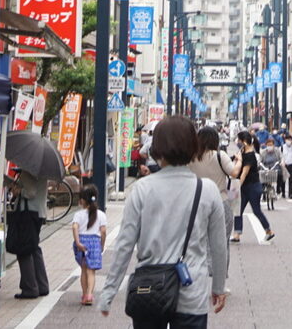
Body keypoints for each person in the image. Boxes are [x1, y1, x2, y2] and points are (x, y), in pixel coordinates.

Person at [98, 116, 230, 327]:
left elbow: (124, 245)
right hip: (192, 290)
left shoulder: (142, 189)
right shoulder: (207, 190)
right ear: (193, 147)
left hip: (148, 289)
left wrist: (109, 292)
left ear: (157, 148)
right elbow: (219, 246)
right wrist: (218, 287)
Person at [189, 127, 238, 232]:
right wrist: (240, 162)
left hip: (197, 201)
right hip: (220, 200)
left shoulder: (191, 157)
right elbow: (234, 173)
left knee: (200, 240)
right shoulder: (220, 155)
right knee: (222, 241)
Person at [12, 168, 51, 299]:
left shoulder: (29, 171)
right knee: (34, 247)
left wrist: (18, 191)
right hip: (38, 212)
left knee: (24, 249)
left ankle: (30, 288)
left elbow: (30, 192)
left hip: (28, 214)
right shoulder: (42, 171)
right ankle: (42, 285)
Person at [230, 132, 275, 243]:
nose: (237, 142)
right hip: (245, 186)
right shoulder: (243, 151)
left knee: (256, 210)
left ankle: (269, 231)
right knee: (237, 209)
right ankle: (237, 234)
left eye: (239, 140)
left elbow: (244, 173)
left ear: (244, 141)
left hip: (252, 187)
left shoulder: (250, 155)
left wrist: (237, 187)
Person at [72, 186, 108, 306]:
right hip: (94, 242)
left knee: (83, 270)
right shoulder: (101, 214)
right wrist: (102, 245)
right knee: (91, 271)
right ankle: (89, 294)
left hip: (82, 241)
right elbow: (103, 231)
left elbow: (75, 227)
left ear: (82, 200)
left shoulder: (78, 214)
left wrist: (77, 242)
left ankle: (84, 294)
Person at [259, 138, 283, 203]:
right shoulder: (263, 152)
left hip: (275, 167)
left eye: (271, 145)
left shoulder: (277, 151)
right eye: (268, 145)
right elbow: (259, 161)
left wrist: (282, 162)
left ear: (273, 145)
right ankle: (263, 193)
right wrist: (260, 164)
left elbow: (281, 158)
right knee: (262, 178)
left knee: (280, 174)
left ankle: (278, 189)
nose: (270, 146)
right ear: (266, 145)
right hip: (265, 168)